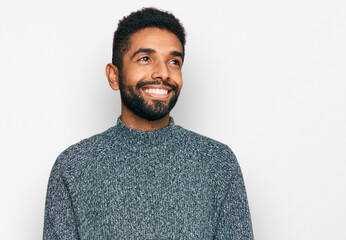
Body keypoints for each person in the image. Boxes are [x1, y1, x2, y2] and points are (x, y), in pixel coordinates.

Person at [43, 7, 254, 239]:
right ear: (114, 76)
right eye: (145, 58)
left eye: (174, 61)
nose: (163, 73)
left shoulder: (218, 162)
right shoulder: (73, 167)